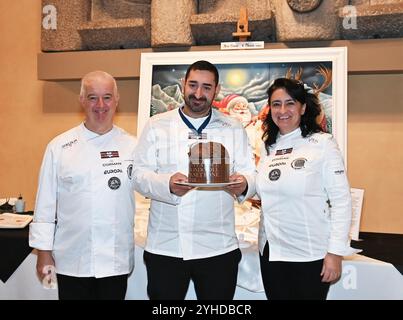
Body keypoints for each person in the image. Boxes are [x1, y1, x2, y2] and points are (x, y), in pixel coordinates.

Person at [133, 60, 255, 300]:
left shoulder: (232, 127)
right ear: (183, 84)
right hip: (166, 245)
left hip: (218, 246)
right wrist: (167, 184)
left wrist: (243, 184)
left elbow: (251, 173)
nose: (198, 94)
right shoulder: (157, 125)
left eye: (207, 87)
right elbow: (138, 175)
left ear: (216, 90)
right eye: (193, 85)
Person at [29, 71, 137, 300]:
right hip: (72, 259)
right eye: (92, 97)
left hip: (114, 259)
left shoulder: (133, 146)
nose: (100, 105)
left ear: (117, 101)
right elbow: (45, 204)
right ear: (81, 101)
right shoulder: (59, 147)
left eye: (107, 97)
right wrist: (43, 253)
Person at [256, 78, 354, 300]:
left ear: (302, 107)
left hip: (309, 253)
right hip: (271, 250)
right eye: (276, 104)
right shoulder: (268, 146)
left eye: (290, 103)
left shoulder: (323, 144)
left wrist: (335, 252)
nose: (283, 110)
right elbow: (261, 190)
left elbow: (341, 201)